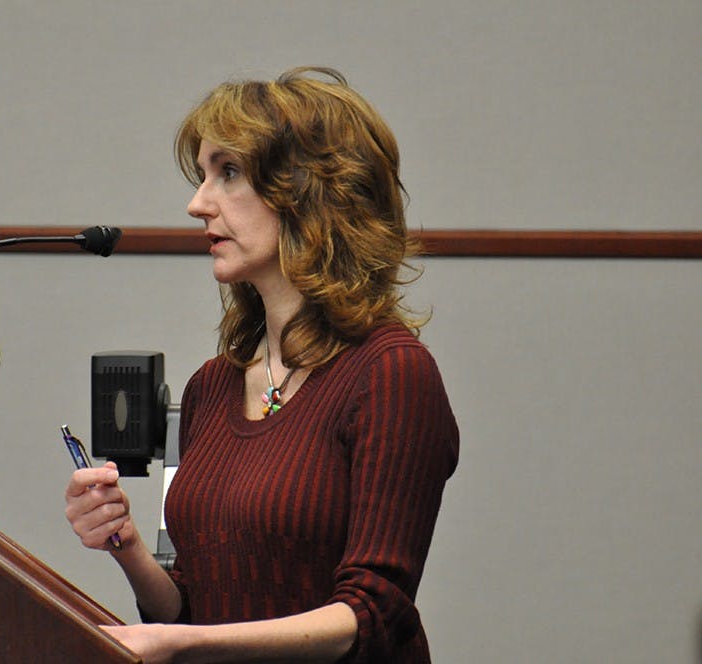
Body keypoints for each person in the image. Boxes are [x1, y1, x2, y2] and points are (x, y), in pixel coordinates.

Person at [64, 66, 459, 663]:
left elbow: (372, 614)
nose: (197, 204)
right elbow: (199, 611)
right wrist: (127, 548)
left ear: (309, 192)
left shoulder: (391, 374)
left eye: (228, 173)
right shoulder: (210, 387)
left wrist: (178, 643)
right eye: (203, 176)